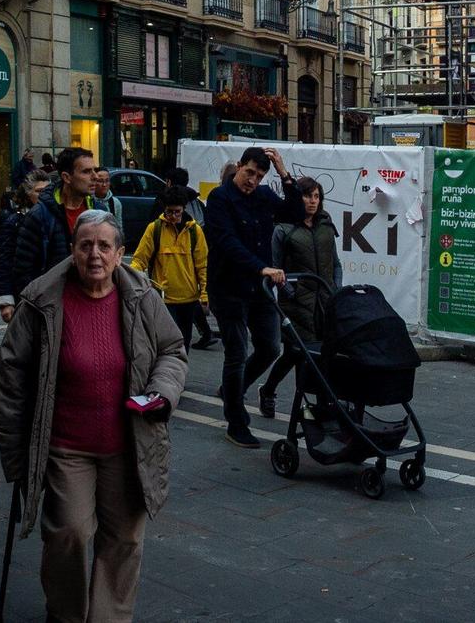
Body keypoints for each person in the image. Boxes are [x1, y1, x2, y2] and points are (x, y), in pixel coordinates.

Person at [0, 209, 186, 623]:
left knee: (124, 540)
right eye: (86, 245)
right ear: (73, 250)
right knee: (68, 532)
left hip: (129, 443)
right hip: (67, 446)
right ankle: (65, 614)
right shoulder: (42, 300)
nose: (94, 254)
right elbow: (10, 373)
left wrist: (162, 392)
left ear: (120, 254)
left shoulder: (142, 296)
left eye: (104, 246)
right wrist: (15, 454)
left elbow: (172, 350)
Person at [205, 146, 291, 448]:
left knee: (270, 347)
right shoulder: (219, 199)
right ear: (239, 166)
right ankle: (236, 421)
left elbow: (292, 212)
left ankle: (232, 388)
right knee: (237, 352)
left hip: (260, 289)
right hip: (228, 288)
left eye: (260, 175)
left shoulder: (264, 196)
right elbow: (226, 242)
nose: (252, 180)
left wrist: (283, 172)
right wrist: (261, 268)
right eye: (249, 172)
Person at [261, 176, 343, 418]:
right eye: (308, 196)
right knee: (299, 353)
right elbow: (274, 268)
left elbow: (336, 264)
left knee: (317, 354)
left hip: (324, 302)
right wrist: (291, 293)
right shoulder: (283, 229)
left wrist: (335, 290)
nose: (313, 201)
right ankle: (299, 403)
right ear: (298, 198)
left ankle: (316, 404)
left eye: (317, 196)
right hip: (295, 304)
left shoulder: (326, 225)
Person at [3, 147, 100, 326]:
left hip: (90, 305)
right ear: (66, 177)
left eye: (95, 170)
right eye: (86, 171)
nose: (95, 176)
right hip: (52, 309)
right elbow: (23, 271)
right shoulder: (40, 215)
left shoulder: (99, 211)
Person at [129, 189, 211, 352]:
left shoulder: (195, 231)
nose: (173, 216)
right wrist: (131, 275)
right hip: (163, 300)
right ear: (164, 210)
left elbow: (202, 265)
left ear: (184, 209)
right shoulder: (155, 229)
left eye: (177, 212)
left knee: (183, 344)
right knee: (167, 344)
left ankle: (179, 376)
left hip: (188, 299)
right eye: (169, 212)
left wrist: (204, 295)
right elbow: (139, 259)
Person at [0, 172, 51, 332]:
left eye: (47, 191)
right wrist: (6, 301)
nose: (43, 195)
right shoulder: (14, 222)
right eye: (39, 191)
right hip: (24, 292)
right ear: (28, 193)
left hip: (49, 292)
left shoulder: (53, 219)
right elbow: (4, 262)